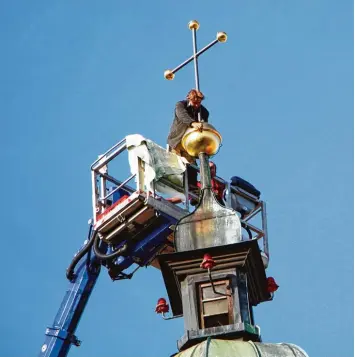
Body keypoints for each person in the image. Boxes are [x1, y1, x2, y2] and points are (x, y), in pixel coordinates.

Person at [167, 89, 209, 198]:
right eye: (195, 103)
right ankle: (180, 190)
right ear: (188, 98)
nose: (196, 106)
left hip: (189, 145)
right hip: (177, 141)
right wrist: (193, 123)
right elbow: (183, 116)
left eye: (199, 103)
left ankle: (193, 192)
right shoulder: (181, 105)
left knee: (192, 167)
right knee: (180, 165)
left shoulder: (203, 112)